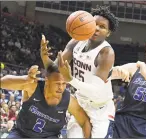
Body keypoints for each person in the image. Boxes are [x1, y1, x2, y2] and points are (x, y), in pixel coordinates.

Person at [41, 5, 119, 138]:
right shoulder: (77, 41)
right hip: (81, 103)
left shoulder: (106, 52)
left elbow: (96, 89)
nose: (97, 28)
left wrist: (70, 79)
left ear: (108, 33)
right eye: (94, 24)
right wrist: (44, 56)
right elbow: (54, 69)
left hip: (100, 108)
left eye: (102, 27)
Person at [0, 65, 91, 138]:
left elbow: (84, 121)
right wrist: (25, 80)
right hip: (21, 134)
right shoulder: (33, 87)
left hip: (49, 136)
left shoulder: (69, 100)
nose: (61, 88)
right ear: (47, 80)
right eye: (57, 83)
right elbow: (2, 83)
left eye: (64, 84)